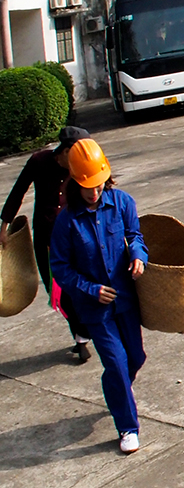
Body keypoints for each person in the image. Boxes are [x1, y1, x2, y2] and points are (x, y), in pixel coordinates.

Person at [48, 139, 149, 454]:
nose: (94, 192)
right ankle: (127, 428)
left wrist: (137, 255)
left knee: (135, 358)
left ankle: (117, 392)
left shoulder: (122, 203)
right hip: (94, 309)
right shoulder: (66, 221)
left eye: (99, 185)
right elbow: (60, 268)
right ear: (76, 182)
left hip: (125, 299)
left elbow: (135, 236)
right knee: (117, 363)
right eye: (87, 187)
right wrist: (90, 289)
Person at [3, 125, 93, 363]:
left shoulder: (81, 166)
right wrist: (4, 226)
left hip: (75, 236)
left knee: (80, 287)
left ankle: (83, 335)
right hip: (45, 237)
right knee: (57, 292)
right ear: (63, 152)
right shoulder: (39, 161)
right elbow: (18, 191)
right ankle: (80, 335)